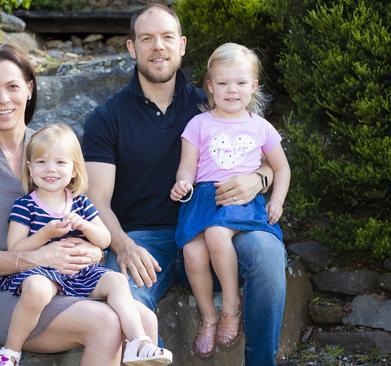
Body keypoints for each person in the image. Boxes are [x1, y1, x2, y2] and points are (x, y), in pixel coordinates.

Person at [82, 4, 287, 366]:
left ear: (182, 45)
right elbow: (97, 198)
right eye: (147, 38)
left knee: (269, 254)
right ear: (132, 48)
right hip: (145, 239)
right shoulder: (107, 118)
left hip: (222, 225)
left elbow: (270, 160)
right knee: (123, 298)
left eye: (167, 37)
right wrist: (123, 245)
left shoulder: (212, 101)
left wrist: (258, 179)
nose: (158, 47)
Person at [0, 43, 161, 366]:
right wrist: (34, 258)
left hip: (61, 279)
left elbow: (81, 216)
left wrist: (93, 252)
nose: (3, 99)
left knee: (147, 322)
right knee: (107, 325)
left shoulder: (52, 148)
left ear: (29, 89)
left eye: (12, 87)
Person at [0, 124, 173, 366]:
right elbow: (15, 248)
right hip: (44, 271)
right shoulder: (26, 205)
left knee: (117, 281)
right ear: (30, 168)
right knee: (36, 288)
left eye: (60, 162)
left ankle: (138, 343)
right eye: (41, 162)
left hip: (80, 272)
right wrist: (45, 233)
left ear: (75, 170)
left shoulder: (81, 203)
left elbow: (105, 240)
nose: (50, 169)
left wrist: (86, 227)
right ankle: (10, 351)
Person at [169, 42, 291, 358]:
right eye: (222, 83)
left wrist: (276, 200)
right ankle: (209, 317)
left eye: (240, 83)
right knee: (193, 252)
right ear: (209, 86)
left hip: (239, 201)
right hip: (203, 200)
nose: (231, 90)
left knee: (216, 234)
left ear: (254, 86)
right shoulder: (198, 124)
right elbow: (187, 164)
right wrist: (183, 182)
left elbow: (281, 168)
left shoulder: (261, 127)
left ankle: (231, 309)